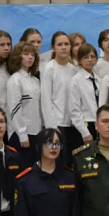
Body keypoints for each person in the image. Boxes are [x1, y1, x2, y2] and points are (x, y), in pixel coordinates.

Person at [40, 32, 78, 166]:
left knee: (70, 162)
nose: (63, 47)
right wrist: (51, 126)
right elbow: (45, 98)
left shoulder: (73, 70)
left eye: (66, 44)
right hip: (56, 124)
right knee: (58, 162)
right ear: (53, 47)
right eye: (60, 44)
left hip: (72, 124)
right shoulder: (49, 68)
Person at [6, 41, 42, 170]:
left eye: (32, 54)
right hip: (21, 135)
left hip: (36, 132)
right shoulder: (15, 80)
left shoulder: (35, 80)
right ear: (18, 57)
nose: (30, 57)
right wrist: (22, 133)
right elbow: (14, 108)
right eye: (26, 54)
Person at [69, 43, 101, 151]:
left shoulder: (99, 80)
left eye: (92, 57)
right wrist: (85, 132)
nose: (90, 60)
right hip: (85, 125)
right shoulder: (76, 81)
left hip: (99, 125)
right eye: (86, 57)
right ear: (79, 60)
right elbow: (74, 110)